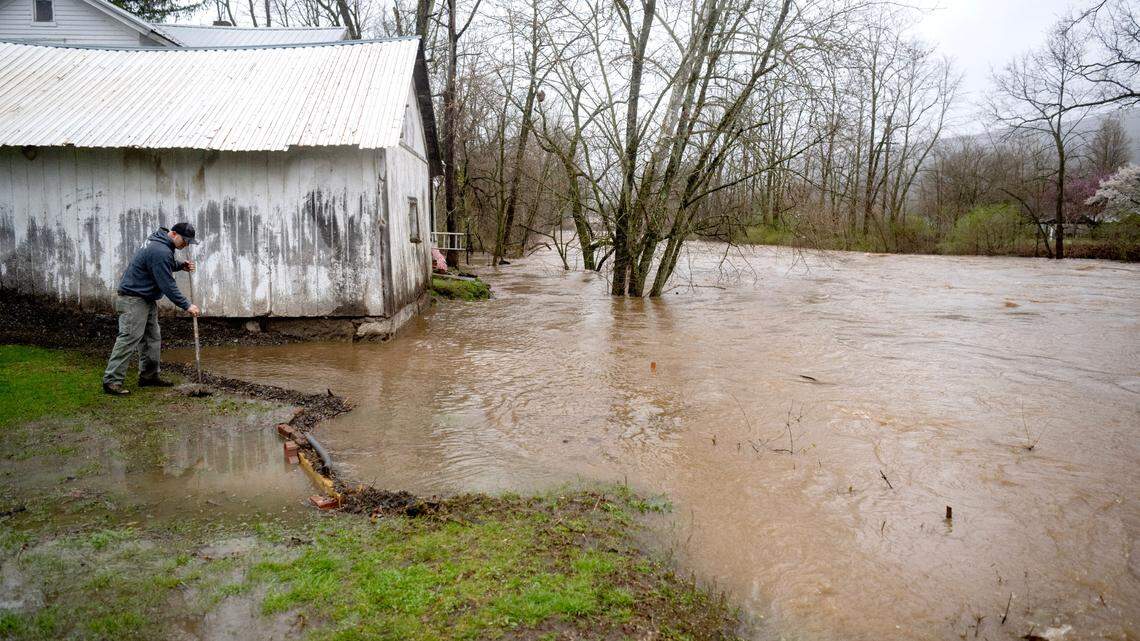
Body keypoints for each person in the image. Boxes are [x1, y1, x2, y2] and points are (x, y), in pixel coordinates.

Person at [102, 223, 201, 395]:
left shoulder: (160, 243)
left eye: (188, 242)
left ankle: (149, 376)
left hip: (145, 298)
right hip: (133, 298)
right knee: (129, 338)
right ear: (173, 234)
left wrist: (179, 265)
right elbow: (167, 284)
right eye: (184, 240)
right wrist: (187, 304)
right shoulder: (160, 250)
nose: (186, 244)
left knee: (152, 338)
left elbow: (158, 264)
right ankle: (112, 381)